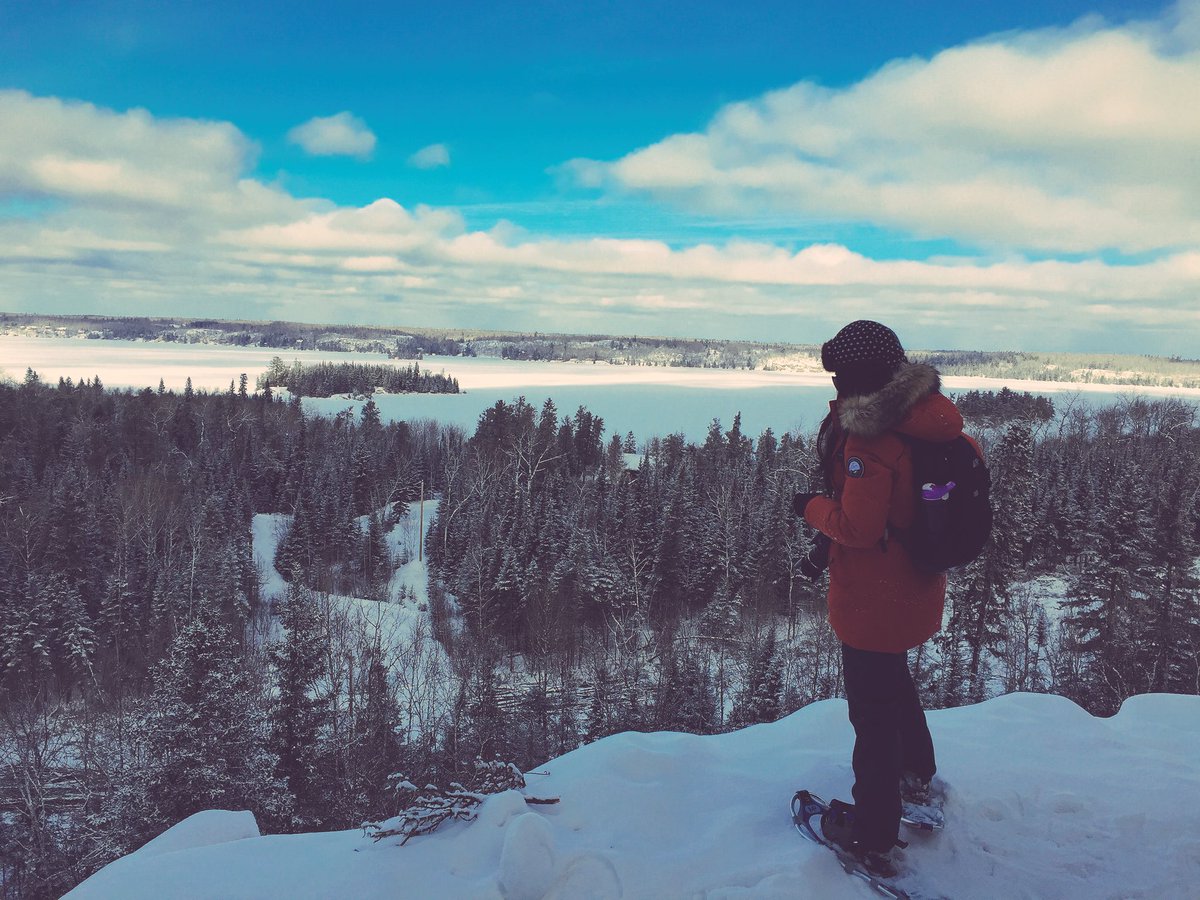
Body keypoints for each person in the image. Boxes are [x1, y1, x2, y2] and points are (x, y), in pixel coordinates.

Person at [792, 320, 962, 877]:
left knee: (871, 714)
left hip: (872, 599)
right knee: (893, 683)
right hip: (913, 588)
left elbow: (860, 527)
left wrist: (810, 508)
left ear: (859, 376)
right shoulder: (927, 421)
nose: (836, 384)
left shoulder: (871, 438)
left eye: (841, 374)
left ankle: (872, 835)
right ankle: (917, 775)